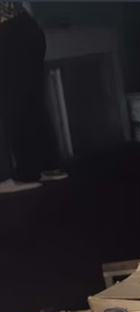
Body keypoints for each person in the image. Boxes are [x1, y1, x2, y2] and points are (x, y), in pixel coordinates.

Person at [0, 2, 66, 194]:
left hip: (8, 34)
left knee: (14, 104)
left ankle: (26, 174)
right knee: (31, 102)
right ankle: (49, 166)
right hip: (27, 29)